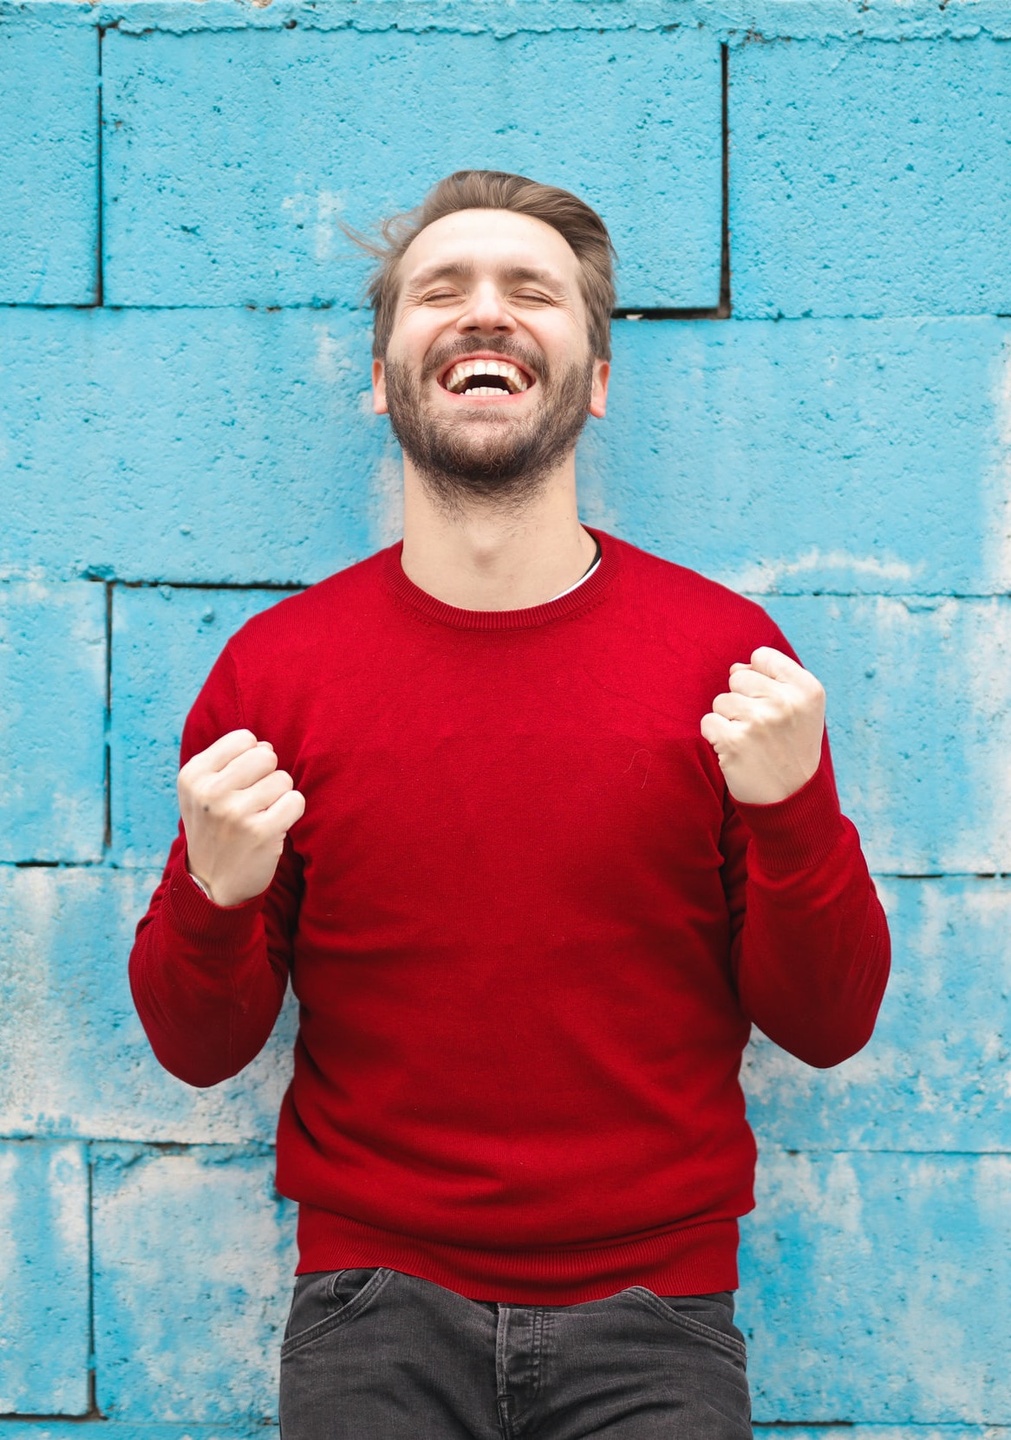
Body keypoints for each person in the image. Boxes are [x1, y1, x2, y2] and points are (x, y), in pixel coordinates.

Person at [130, 170, 890, 1440]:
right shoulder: (275, 675)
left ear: (593, 379)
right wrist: (217, 892)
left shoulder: (728, 659)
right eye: (443, 290)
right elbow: (198, 1048)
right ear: (385, 374)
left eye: (530, 291)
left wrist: (796, 813)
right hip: (370, 1314)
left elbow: (829, 1023)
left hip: (661, 1318)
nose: (485, 313)